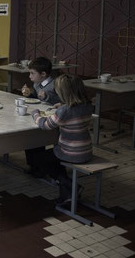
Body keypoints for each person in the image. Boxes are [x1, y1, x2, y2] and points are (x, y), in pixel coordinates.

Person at [29, 74, 93, 204]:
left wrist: (35, 114)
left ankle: (69, 184)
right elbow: (72, 114)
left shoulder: (65, 111)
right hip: (85, 151)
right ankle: (66, 192)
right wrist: (62, 106)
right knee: (52, 157)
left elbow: (45, 125)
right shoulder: (87, 105)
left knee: (37, 159)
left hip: (69, 152)